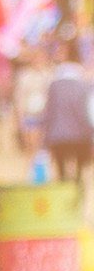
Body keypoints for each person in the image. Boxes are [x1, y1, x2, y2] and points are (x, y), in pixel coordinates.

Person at [44, 36, 94, 186]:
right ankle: (76, 200)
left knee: (62, 175)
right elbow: (90, 110)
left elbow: (48, 112)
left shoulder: (54, 83)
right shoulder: (84, 83)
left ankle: (65, 201)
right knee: (79, 173)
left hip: (58, 134)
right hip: (80, 134)